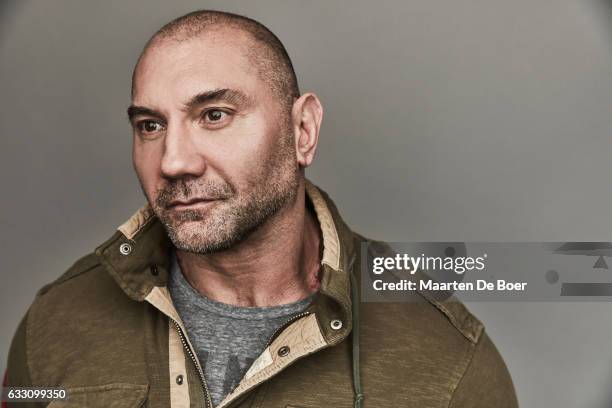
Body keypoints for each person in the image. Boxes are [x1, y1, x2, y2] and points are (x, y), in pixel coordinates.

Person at [4, 10, 518, 408]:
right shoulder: (55, 324)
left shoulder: (448, 356)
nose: (174, 161)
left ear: (302, 131)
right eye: (150, 126)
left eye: (215, 115)